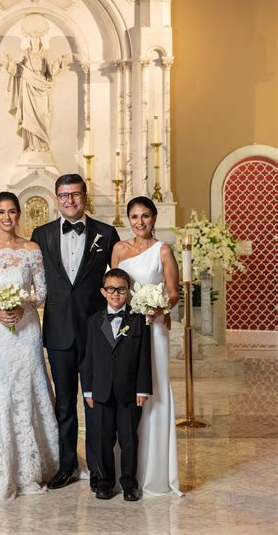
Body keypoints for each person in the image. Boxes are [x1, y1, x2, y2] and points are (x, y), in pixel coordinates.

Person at [31, 173, 120, 492]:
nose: (70, 201)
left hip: (96, 333)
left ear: (85, 197)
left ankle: (101, 471)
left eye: (76, 195)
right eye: (64, 195)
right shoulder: (40, 234)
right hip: (58, 333)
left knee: (97, 402)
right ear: (56, 199)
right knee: (65, 402)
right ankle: (67, 465)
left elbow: (120, 279)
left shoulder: (106, 233)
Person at [0, 191, 59, 502]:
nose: (7, 217)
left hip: (26, 327)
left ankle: (34, 466)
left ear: (19, 215)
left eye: (12, 212)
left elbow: (42, 290)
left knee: (28, 387)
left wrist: (22, 306)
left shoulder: (31, 249)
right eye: (2, 212)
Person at [111, 196, 183, 497]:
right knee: (127, 390)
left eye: (145, 216)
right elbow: (113, 286)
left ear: (154, 218)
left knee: (153, 388)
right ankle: (125, 469)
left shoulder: (163, 250)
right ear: (128, 219)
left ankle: (154, 470)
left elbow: (174, 293)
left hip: (153, 329)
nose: (140, 222)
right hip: (127, 329)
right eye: (134, 217)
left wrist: (159, 308)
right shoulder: (119, 249)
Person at [83, 269, 152, 501]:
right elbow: (88, 358)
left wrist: (142, 389)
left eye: (121, 290)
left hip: (129, 392)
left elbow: (144, 357)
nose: (115, 294)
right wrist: (88, 390)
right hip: (101, 390)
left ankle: (129, 483)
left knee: (129, 438)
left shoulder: (139, 320)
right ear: (103, 292)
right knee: (102, 438)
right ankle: (104, 481)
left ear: (128, 293)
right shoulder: (94, 321)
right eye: (110, 289)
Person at [5, 30, 64, 153]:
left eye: (37, 37)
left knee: (43, 115)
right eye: (33, 37)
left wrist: (59, 62)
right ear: (30, 40)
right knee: (29, 117)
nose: (35, 40)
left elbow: (51, 71)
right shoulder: (24, 54)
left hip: (42, 87)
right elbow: (18, 70)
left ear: (40, 39)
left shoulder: (45, 54)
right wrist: (10, 63)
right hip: (28, 88)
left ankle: (42, 145)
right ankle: (31, 145)